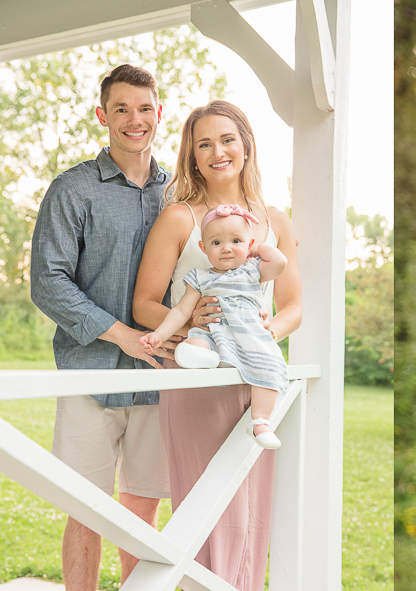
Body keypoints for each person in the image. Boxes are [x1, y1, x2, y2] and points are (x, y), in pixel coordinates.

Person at [133, 99, 301, 591]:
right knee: (205, 503)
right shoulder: (180, 218)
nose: (217, 151)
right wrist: (189, 327)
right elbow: (145, 304)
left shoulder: (274, 222)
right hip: (197, 379)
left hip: (257, 382)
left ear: (246, 145)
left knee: (250, 504)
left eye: (227, 139)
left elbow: (293, 306)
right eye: (203, 143)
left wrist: (266, 333)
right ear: (192, 155)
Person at [29, 63, 172, 591]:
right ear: (102, 115)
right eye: (121, 109)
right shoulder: (73, 190)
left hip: (160, 378)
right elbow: (48, 281)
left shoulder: (179, 192)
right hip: (89, 371)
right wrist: (120, 334)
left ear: (159, 113)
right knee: (86, 508)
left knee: (141, 510)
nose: (134, 120)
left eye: (143, 108)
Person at [140, 205, 288, 449]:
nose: (227, 248)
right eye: (216, 242)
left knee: (269, 362)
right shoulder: (199, 276)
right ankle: (199, 355)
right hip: (213, 334)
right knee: (196, 342)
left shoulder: (253, 270)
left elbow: (280, 262)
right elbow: (181, 311)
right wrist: (159, 334)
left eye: (236, 241)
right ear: (203, 248)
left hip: (248, 335)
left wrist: (257, 248)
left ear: (249, 243)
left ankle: (260, 422)